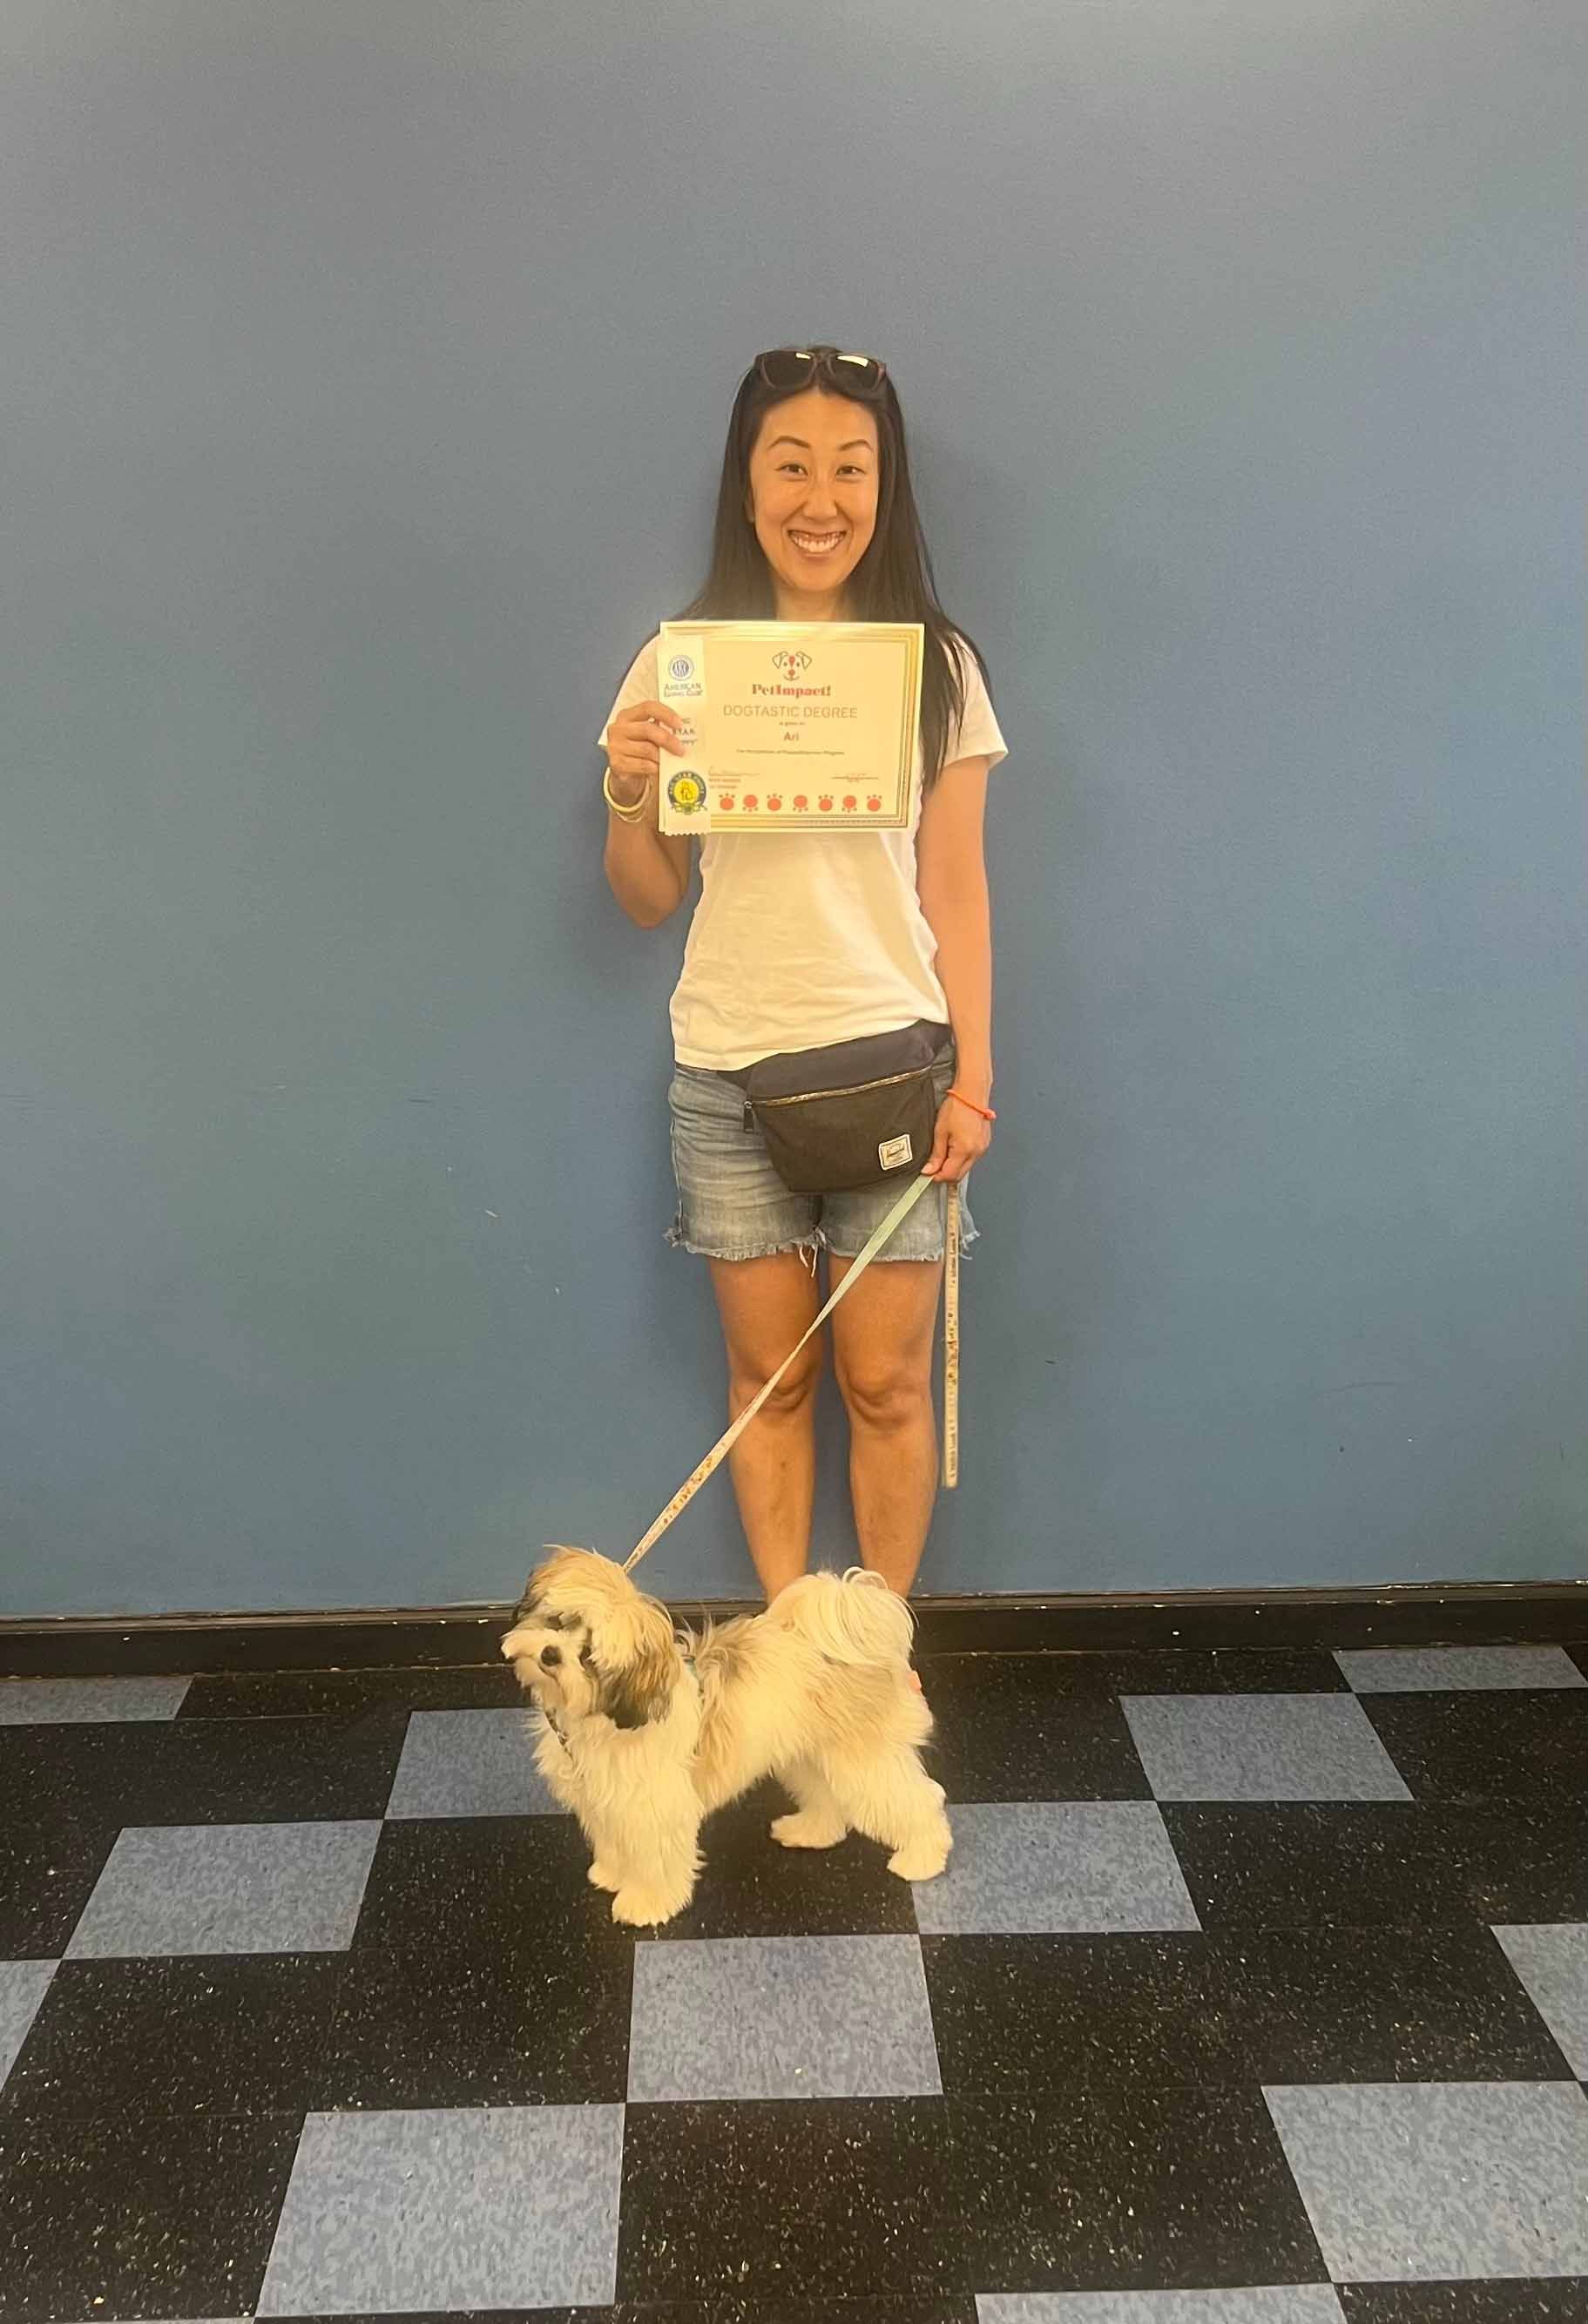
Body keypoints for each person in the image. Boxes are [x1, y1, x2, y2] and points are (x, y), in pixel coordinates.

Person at [596, 344, 1006, 1602]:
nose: (819, 499)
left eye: (850, 467)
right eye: (790, 466)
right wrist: (626, 787)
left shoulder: (933, 665)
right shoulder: (683, 667)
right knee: (768, 1389)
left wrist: (976, 1078)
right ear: (748, 481)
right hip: (728, 1068)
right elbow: (649, 894)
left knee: (883, 1385)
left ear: (885, 488)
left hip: (896, 1068)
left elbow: (955, 888)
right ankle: (786, 1670)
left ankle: (877, 1682)